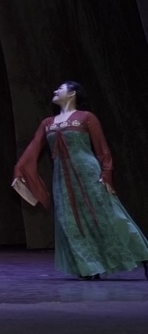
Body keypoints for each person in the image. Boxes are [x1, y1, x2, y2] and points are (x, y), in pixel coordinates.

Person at [13, 81, 148, 280]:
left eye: (60, 88)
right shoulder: (48, 123)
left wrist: (107, 173)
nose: (55, 91)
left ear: (72, 93)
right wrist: (19, 169)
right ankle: (89, 267)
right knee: (68, 222)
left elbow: (102, 149)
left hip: (89, 174)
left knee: (110, 217)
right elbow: (33, 147)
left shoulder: (86, 117)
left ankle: (144, 255)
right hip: (62, 180)